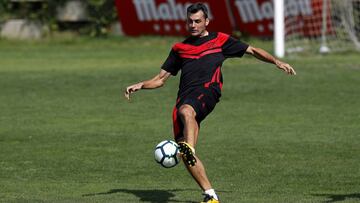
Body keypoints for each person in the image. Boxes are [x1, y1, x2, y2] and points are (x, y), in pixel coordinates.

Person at [125, 3, 296, 203]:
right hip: (184, 98)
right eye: (189, 21)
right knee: (185, 146)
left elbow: (252, 50)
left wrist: (277, 62)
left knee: (186, 113)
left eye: (197, 21)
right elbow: (161, 79)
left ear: (206, 21)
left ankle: (189, 148)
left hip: (208, 91)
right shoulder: (179, 48)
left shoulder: (220, 40)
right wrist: (141, 85)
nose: (193, 24)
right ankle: (210, 195)